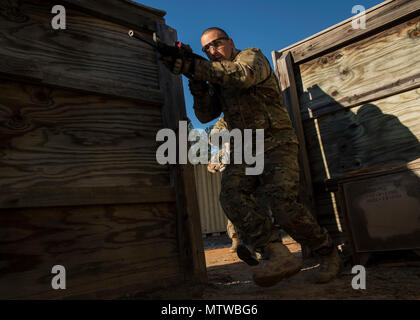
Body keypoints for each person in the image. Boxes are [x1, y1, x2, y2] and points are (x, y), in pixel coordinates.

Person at [161, 27, 341, 286]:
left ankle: (327, 252)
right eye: (206, 49)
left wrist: (197, 66)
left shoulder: (251, 57)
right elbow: (205, 115)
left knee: (284, 205)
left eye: (217, 44)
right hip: (245, 147)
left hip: (276, 140)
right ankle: (277, 254)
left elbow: (242, 76)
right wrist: (195, 80)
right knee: (231, 196)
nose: (212, 51)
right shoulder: (217, 77)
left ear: (230, 42)